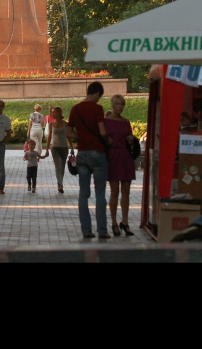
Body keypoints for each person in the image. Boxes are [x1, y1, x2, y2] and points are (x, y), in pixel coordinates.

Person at [67, 82, 112, 239]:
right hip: (98, 154)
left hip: (83, 154)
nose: (99, 99)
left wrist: (82, 137)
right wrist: (109, 140)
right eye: (100, 96)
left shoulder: (75, 109)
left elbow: (69, 132)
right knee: (100, 193)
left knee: (83, 194)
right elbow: (102, 131)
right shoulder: (98, 109)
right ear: (97, 93)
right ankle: (102, 230)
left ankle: (86, 230)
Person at [105, 95, 137, 237]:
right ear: (112, 105)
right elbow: (103, 137)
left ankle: (125, 221)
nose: (120, 106)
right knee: (114, 191)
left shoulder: (126, 122)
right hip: (113, 155)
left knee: (126, 190)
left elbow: (130, 137)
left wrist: (130, 140)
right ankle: (113, 222)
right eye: (117, 104)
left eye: (122, 104)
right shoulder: (106, 121)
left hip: (125, 156)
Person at [44, 106, 72, 194]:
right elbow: (49, 137)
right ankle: (60, 185)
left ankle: (60, 182)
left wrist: (71, 147)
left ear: (59, 113)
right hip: (54, 147)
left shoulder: (65, 123)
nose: (52, 114)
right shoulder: (51, 124)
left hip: (64, 147)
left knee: (63, 166)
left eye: (54, 112)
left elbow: (68, 135)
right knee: (58, 165)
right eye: (52, 112)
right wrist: (47, 149)